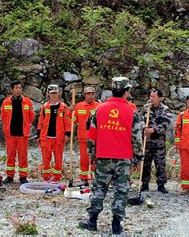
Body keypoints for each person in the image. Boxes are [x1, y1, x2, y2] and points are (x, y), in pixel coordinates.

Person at [79, 77, 143, 235]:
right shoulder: (131, 111)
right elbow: (137, 138)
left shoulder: (99, 110)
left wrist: (92, 156)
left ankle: (92, 221)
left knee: (99, 189)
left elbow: (91, 136)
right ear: (126, 91)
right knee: (121, 191)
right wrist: (138, 158)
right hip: (123, 159)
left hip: (103, 158)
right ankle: (116, 225)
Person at [1, 80, 35, 185]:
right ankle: (10, 176)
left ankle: (23, 177)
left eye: (20, 88)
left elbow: (31, 116)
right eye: (16, 88)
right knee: (10, 155)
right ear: (12, 89)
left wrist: (26, 125)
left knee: (23, 156)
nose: (18, 90)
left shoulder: (27, 102)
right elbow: (3, 117)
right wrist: (7, 127)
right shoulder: (6, 102)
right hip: (10, 134)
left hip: (22, 133)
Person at [37, 84, 71, 183]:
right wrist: (38, 135)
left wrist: (67, 134)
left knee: (58, 159)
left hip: (58, 137)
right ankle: (46, 178)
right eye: (52, 93)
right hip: (46, 137)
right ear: (48, 94)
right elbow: (40, 122)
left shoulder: (63, 107)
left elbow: (67, 121)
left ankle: (56, 178)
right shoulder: (44, 107)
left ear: (58, 93)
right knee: (46, 159)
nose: (54, 95)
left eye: (55, 93)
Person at [139, 88, 171, 194]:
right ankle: (144, 184)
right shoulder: (146, 107)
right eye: (150, 96)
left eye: (153, 96)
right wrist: (144, 128)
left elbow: (166, 123)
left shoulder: (165, 109)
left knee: (160, 163)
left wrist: (154, 129)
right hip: (147, 141)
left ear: (160, 98)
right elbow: (140, 120)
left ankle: (161, 185)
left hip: (159, 141)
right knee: (145, 163)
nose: (151, 98)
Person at [72, 86, 100, 186]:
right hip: (83, 138)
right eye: (88, 94)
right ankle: (83, 179)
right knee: (84, 160)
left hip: (95, 139)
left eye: (92, 93)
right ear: (85, 95)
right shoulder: (79, 106)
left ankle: (94, 179)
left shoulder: (99, 106)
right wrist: (70, 111)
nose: (90, 96)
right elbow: (72, 121)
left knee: (95, 159)